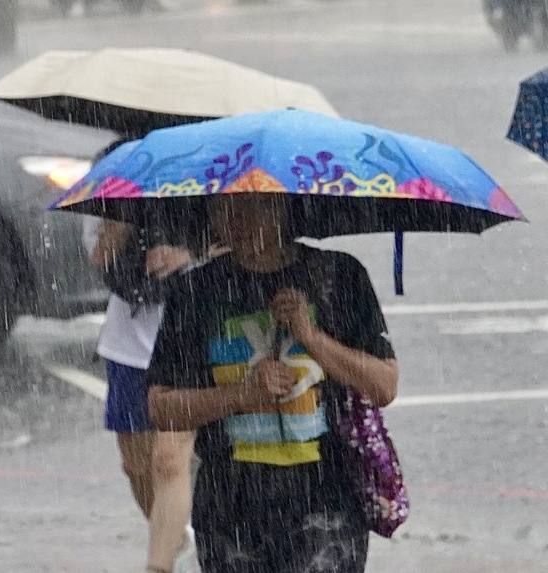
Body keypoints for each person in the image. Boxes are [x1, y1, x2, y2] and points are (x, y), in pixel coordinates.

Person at [147, 195, 399, 573]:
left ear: (281, 205)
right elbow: (160, 407)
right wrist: (241, 395)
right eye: (221, 207)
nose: (231, 218)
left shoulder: (338, 275)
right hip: (231, 508)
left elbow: (384, 385)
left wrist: (311, 336)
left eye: (249, 204)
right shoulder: (196, 292)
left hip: (327, 503)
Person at [83, 216, 213, 573]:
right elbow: (99, 255)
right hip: (130, 343)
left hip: (193, 334)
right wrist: (120, 224)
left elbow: (244, 240)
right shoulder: (117, 174)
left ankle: (162, 563)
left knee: (170, 460)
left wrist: (190, 254)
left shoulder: (211, 169)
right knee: (137, 465)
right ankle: (179, 542)